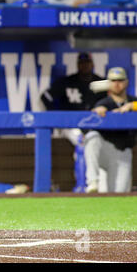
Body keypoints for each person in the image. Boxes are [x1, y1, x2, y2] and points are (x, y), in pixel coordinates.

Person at [84, 67, 137, 193]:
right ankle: (93, 180)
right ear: (108, 83)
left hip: (124, 152)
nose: (117, 84)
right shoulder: (104, 102)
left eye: (120, 80)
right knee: (92, 137)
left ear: (126, 82)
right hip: (105, 149)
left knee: (120, 193)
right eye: (113, 80)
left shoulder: (134, 100)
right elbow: (95, 112)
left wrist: (131, 106)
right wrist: (99, 110)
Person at [40, 52, 107, 192]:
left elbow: (112, 101)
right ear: (77, 65)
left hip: (94, 126)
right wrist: (57, 116)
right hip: (71, 125)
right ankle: (83, 185)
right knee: (82, 141)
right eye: (82, 63)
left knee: (92, 141)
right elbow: (45, 97)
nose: (85, 65)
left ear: (92, 64)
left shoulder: (100, 82)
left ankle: (92, 183)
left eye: (87, 62)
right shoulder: (67, 81)